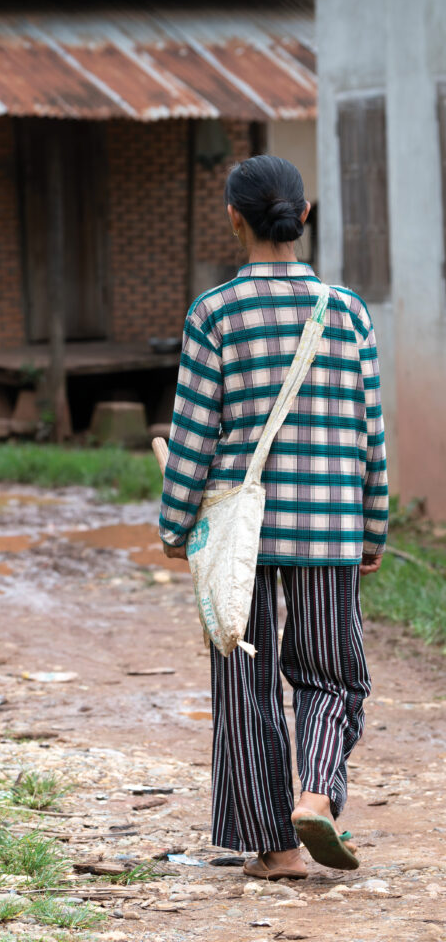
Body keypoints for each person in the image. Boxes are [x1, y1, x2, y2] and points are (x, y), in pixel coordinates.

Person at [159, 155, 388, 880]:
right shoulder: (347, 312)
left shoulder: (214, 312)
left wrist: (173, 528)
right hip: (328, 525)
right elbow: (369, 434)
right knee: (331, 676)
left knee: (243, 684)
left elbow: (193, 435)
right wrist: (372, 527)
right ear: (303, 216)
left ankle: (276, 850)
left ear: (234, 219)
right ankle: (315, 793)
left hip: (239, 536)